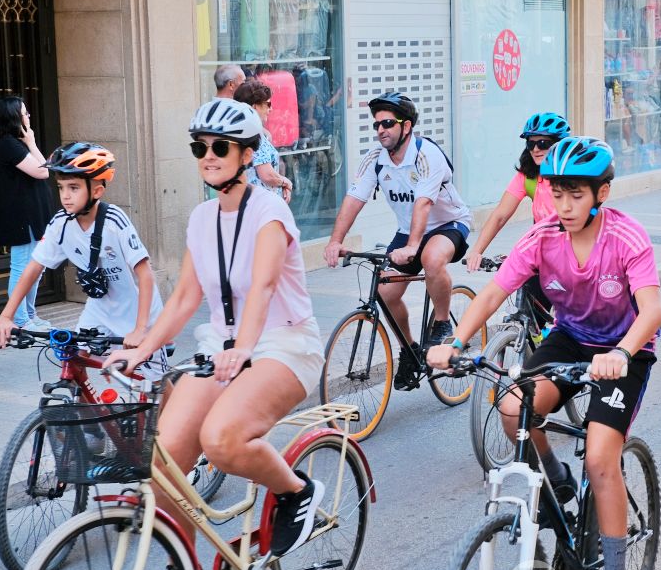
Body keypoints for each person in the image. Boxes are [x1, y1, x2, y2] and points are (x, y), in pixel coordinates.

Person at [427, 137, 661, 570]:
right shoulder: (542, 238)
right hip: (571, 338)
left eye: (576, 194)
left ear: (602, 192)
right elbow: (493, 293)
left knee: (600, 458)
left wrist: (620, 354)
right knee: (513, 406)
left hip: (625, 351)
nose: (564, 205)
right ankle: (555, 478)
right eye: (557, 193)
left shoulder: (627, 238)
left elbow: (653, 310)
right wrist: (455, 341)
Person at [105, 99, 327, 570]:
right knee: (162, 461)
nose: (207, 156)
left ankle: (297, 492)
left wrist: (245, 348)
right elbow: (184, 299)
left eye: (219, 147)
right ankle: (185, 569)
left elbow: (264, 286)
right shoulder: (202, 218)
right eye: (199, 147)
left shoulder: (271, 212)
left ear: (247, 154)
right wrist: (141, 347)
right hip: (222, 347)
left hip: (282, 343)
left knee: (222, 440)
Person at [323, 91, 472, 390]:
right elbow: (354, 198)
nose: (381, 130)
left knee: (431, 259)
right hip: (408, 230)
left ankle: (442, 322)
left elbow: (424, 204)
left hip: (448, 223)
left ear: (406, 126)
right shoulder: (375, 160)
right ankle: (409, 349)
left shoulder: (426, 155)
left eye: (388, 123)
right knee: (384, 292)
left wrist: (413, 248)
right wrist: (334, 241)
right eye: (377, 125)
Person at [0, 142, 166, 365]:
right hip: (99, 311)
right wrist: (6, 317)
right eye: (61, 187)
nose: (65, 196)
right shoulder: (60, 224)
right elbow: (34, 268)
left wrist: (141, 329)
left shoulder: (114, 221)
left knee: (153, 384)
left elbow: (145, 275)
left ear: (97, 191)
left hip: (139, 313)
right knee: (73, 363)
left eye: (73, 188)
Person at [467, 111, 571, 265]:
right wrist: (476, 251)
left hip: (573, 252)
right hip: (541, 251)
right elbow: (500, 215)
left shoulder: (574, 175)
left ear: (559, 145)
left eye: (543, 144)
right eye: (530, 143)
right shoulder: (528, 176)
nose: (535, 149)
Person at [0, 96, 53, 332]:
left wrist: (29, 142)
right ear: (12, 117)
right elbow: (43, 172)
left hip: (31, 215)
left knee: (35, 267)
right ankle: (21, 319)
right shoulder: (7, 144)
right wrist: (33, 142)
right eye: (24, 113)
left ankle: (30, 315)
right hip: (21, 217)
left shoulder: (13, 143)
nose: (27, 117)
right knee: (23, 267)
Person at [233, 79, 293, 201]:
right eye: (268, 104)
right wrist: (286, 182)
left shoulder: (237, 131)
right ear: (254, 106)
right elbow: (267, 175)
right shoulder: (254, 134)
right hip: (260, 203)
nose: (271, 109)